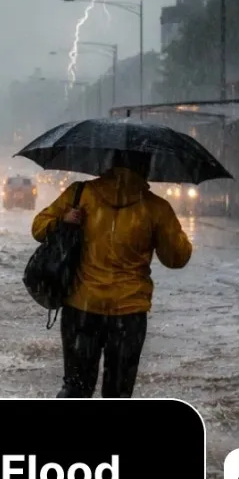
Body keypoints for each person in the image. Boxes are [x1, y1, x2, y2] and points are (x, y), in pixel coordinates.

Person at [30, 151, 193, 399]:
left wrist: (63, 219)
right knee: (118, 393)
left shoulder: (81, 194)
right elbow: (176, 258)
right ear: (146, 166)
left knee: (76, 387)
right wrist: (177, 237)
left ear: (109, 161)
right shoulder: (156, 208)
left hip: (81, 308)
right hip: (128, 315)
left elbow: (38, 227)